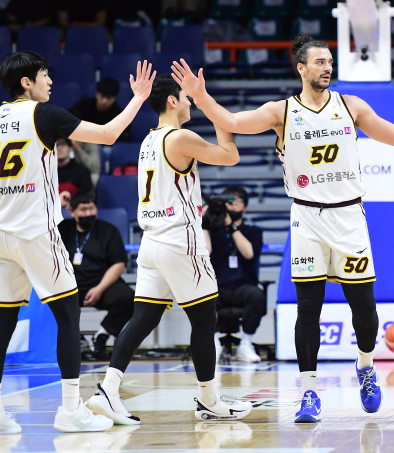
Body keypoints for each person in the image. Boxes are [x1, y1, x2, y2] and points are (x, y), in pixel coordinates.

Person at [171, 33, 394, 423]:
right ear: (301, 68)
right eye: (319, 62)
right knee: (308, 310)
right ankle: (309, 392)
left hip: (349, 218)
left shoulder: (351, 106)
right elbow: (231, 122)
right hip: (307, 219)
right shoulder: (281, 111)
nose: (327, 67)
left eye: (330, 61)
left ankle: (365, 366)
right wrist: (200, 96)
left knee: (364, 309)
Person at [0, 51, 155, 435]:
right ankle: (70, 410)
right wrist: (138, 98)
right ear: (26, 82)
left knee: (1, 323)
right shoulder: (43, 114)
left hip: (0, 234)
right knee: (68, 313)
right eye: (44, 75)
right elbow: (108, 135)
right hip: (37, 231)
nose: (50, 81)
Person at [85, 74, 252, 425]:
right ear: (173, 102)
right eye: (186, 99)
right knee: (205, 319)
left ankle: (108, 390)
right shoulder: (180, 137)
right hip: (179, 241)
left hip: (150, 242)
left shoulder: (149, 140)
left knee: (143, 318)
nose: (190, 103)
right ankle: (209, 400)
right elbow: (231, 155)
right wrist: (211, 107)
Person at [59, 191, 135, 354]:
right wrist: (58, 206)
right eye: (83, 210)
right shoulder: (62, 229)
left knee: (129, 298)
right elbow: (39, 224)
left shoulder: (109, 231)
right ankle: (76, 337)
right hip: (69, 286)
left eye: (91, 208)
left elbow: (119, 264)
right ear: (72, 211)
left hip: (102, 284)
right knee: (49, 300)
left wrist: (99, 289)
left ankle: (101, 335)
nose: (88, 213)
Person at [203, 185, 265, 363]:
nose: (231, 204)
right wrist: (204, 225)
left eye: (236, 200)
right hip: (217, 287)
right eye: (228, 200)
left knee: (257, 296)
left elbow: (249, 253)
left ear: (245, 206)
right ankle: (213, 343)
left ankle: (245, 344)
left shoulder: (253, 232)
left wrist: (230, 226)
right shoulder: (213, 231)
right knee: (203, 297)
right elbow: (205, 252)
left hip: (242, 287)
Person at [70, 78, 132, 143]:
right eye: (102, 96)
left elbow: (124, 139)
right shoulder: (81, 107)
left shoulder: (120, 116)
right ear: (96, 93)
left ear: (115, 98)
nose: (105, 101)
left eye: (109, 98)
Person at [57, 137, 93, 206]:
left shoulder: (82, 171)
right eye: (56, 145)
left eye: (63, 145)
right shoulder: (47, 173)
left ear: (71, 148)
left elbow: (86, 196)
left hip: (75, 207)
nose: (59, 148)